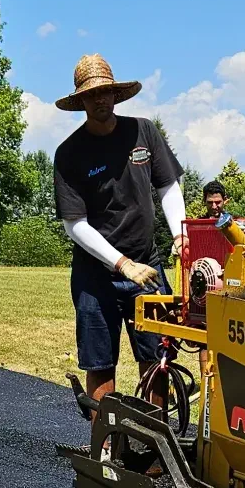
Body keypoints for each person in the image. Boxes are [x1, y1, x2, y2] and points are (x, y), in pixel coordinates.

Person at [53, 54, 187, 413]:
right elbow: (74, 225)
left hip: (148, 266)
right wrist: (122, 264)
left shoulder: (143, 131)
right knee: (100, 363)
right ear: (80, 101)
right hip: (95, 277)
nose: (100, 100)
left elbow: (168, 187)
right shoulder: (69, 154)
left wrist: (181, 235)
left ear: (116, 94)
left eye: (106, 92)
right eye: (92, 95)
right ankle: (106, 447)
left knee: (157, 357)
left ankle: (153, 447)